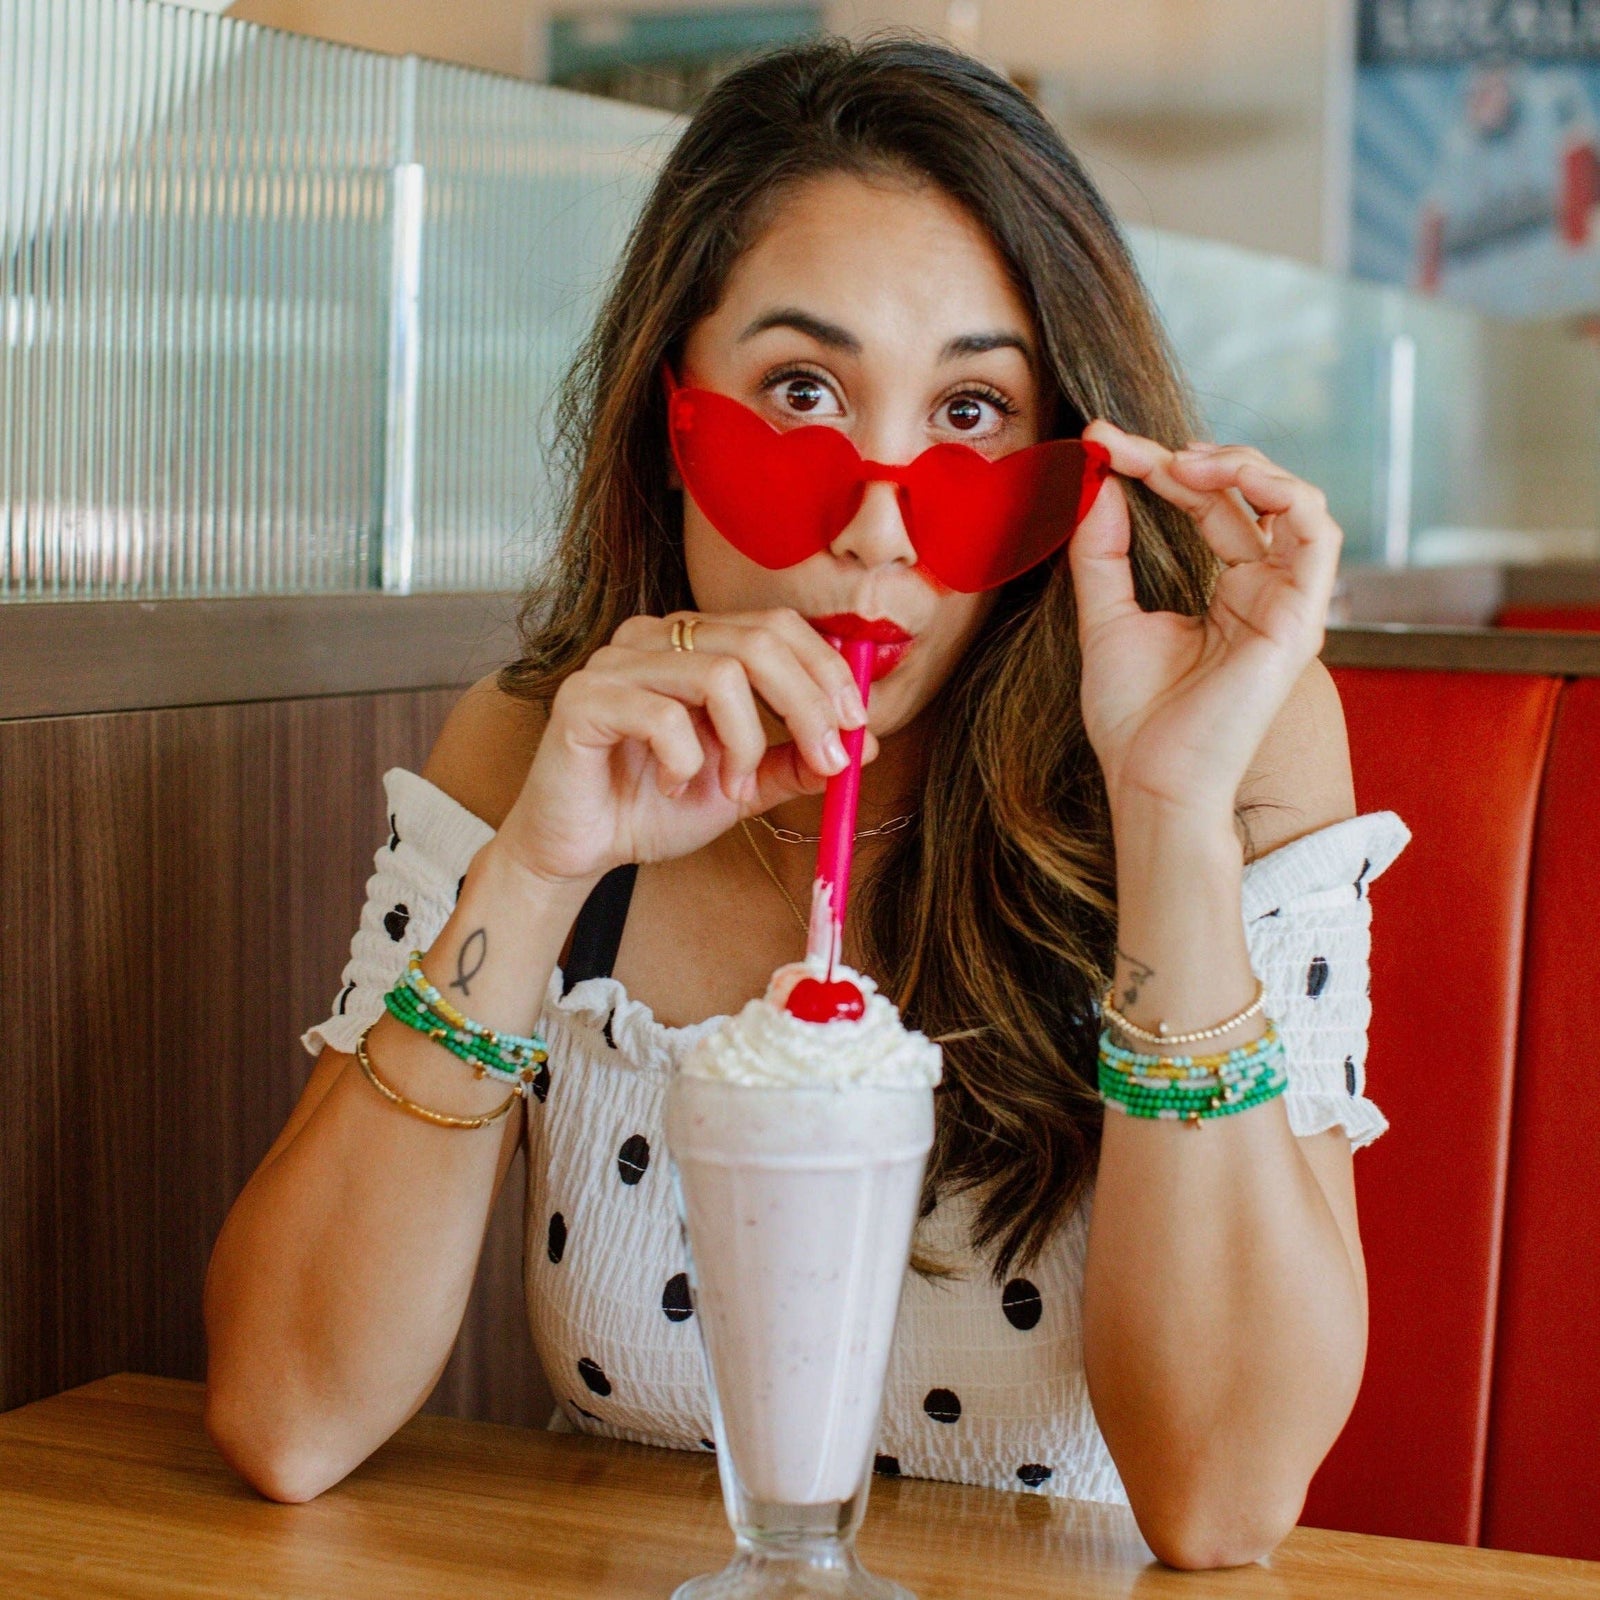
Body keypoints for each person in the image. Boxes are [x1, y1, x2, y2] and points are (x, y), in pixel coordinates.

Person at [202, 34, 1408, 1570]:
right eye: (801, 389)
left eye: (971, 411)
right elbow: (288, 1414)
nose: (879, 527)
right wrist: (538, 872)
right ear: (669, 417)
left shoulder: (1227, 746)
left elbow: (1224, 1500)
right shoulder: (539, 755)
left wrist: (1166, 814)